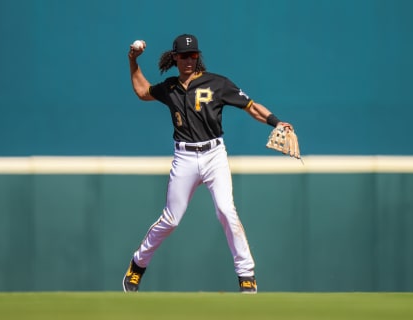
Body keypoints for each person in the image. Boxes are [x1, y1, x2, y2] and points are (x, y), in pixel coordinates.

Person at [123, 34, 293, 293]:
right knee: (171, 219)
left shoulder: (217, 83)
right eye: (184, 56)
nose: (189, 60)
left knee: (226, 211)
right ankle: (138, 264)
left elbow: (251, 106)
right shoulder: (169, 88)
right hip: (184, 156)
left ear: (197, 57)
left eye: (193, 55)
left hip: (214, 154)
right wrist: (133, 61)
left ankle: (246, 275)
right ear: (175, 58)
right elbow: (143, 92)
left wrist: (276, 121)